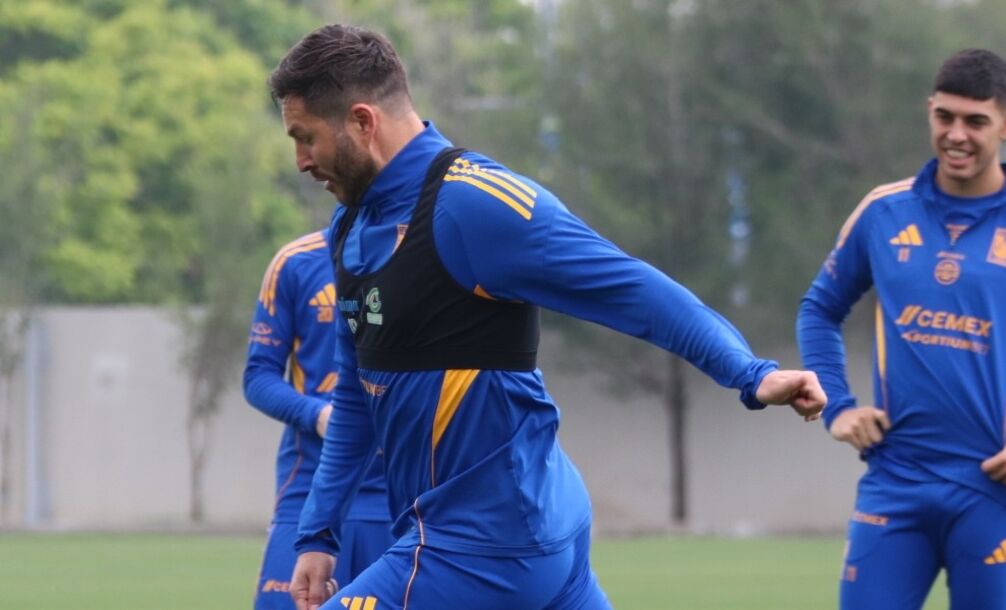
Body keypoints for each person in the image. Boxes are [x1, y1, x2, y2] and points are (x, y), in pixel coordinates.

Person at [267, 24, 827, 610]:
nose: (301, 161)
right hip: (495, 539)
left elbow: (633, 289)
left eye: (306, 138)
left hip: (484, 545)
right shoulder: (350, 227)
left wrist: (749, 372)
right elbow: (357, 392)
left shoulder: (473, 204)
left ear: (362, 121)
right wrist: (318, 534)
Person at [797, 49, 1006, 609]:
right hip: (895, 480)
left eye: (976, 121)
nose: (956, 135)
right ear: (929, 110)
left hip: (992, 487)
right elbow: (818, 309)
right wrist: (838, 407)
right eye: (944, 117)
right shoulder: (883, 212)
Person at [242, 229, 393, 609]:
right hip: (308, 488)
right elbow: (258, 377)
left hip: (402, 498)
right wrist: (318, 415)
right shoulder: (295, 262)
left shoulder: (427, 252)